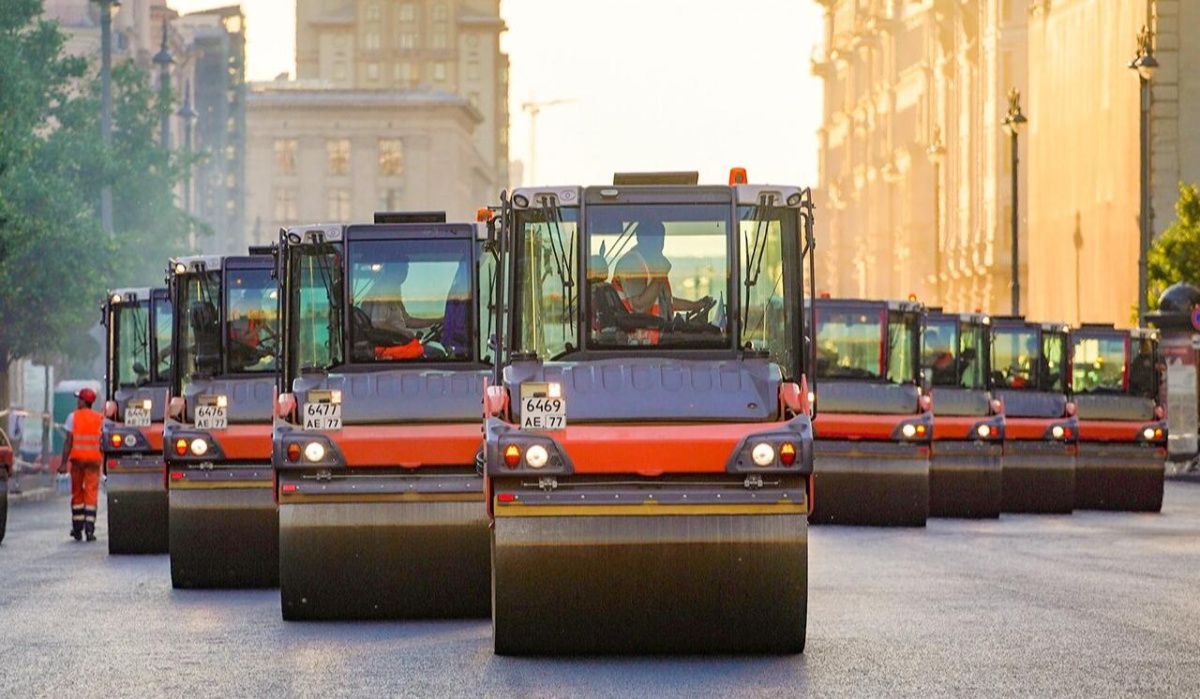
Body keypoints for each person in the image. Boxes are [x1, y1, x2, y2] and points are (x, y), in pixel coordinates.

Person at [612, 220, 711, 322]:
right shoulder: (631, 263)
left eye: (661, 238)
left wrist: (695, 305)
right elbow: (639, 307)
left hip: (659, 334)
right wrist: (660, 276)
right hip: (638, 337)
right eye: (653, 238)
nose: (659, 244)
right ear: (639, 238)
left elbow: (665, 301)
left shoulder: (651, 267)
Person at [58, 388, 103, 542]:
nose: (78, 401)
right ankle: (90, 530)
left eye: (79, 399)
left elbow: (68, 442)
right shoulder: (100, 418)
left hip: (77, 461)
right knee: (91, 494)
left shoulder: (73, 417)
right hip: (93, 462)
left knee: (77, 493)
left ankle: (77, 529)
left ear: (84, 401)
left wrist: (63, 463)